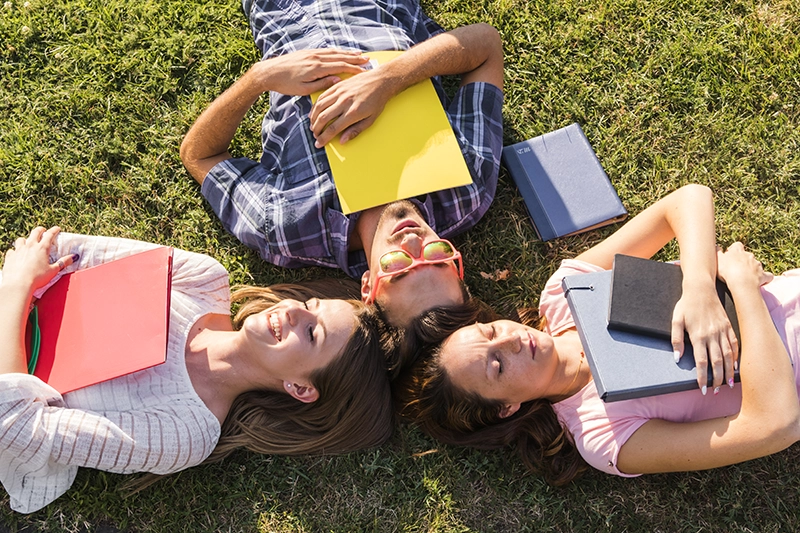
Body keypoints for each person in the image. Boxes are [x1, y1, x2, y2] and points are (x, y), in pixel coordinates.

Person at [395, 184, 800, 485]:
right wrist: (742, 288)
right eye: (497, 365)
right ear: (507, 408)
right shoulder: (602, 436)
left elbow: (687, 201)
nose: (511, 340)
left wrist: (699, 288)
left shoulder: (564, 295)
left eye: (490, 331)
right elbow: (774, 426)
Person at [0, 227, 392, 513]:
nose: (293, 310)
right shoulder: (203, 279)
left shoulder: (186, 432)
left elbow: (14, 427)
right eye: (311, 305)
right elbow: (58, 252)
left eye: (311, 333)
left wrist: (17, 289)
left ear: (299, 388)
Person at [179, 0, 504, 328]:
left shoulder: (289, 227)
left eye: (397, 269)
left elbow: (200, 155)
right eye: (437, 260)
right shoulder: (467, 185)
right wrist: (391, 78)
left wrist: (260, 77)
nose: (412, 242)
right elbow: (486, 44)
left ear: (368, 286)